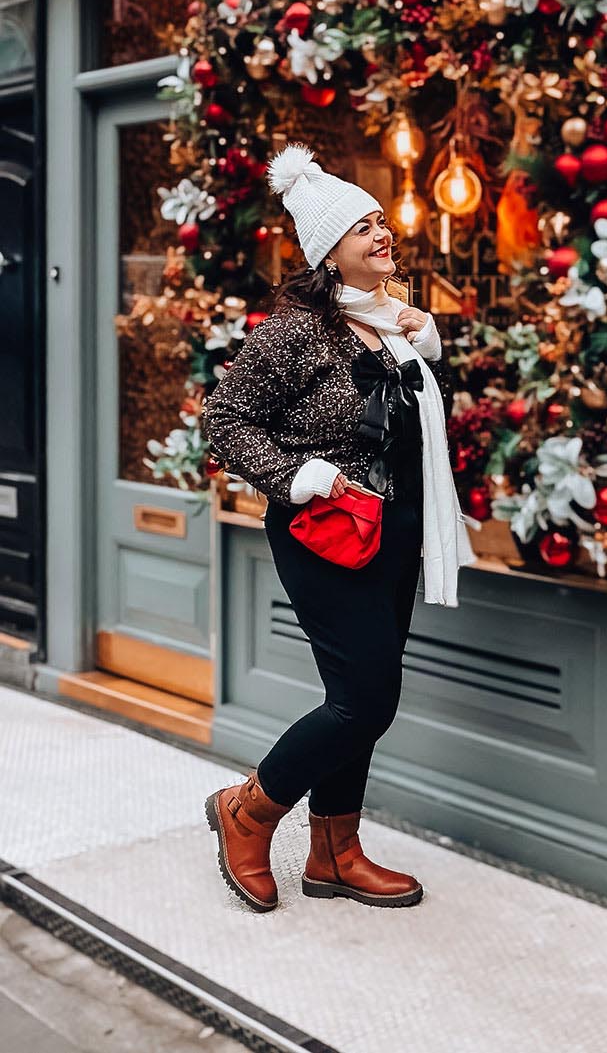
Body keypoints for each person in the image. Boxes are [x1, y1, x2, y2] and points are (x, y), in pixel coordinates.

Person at [202, 144, 476, 912]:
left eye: (382, 220)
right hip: (326, 531)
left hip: (394, 530)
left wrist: (429, 348)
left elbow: (417, 424)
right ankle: (248, 809)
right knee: (365, 698)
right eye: (363, 227)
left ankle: (334, 852)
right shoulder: (294, 333)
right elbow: (225, 419)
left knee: (361, 695)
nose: (382, 234)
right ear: (329, 252)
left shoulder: (394, 323)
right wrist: (298, 476)